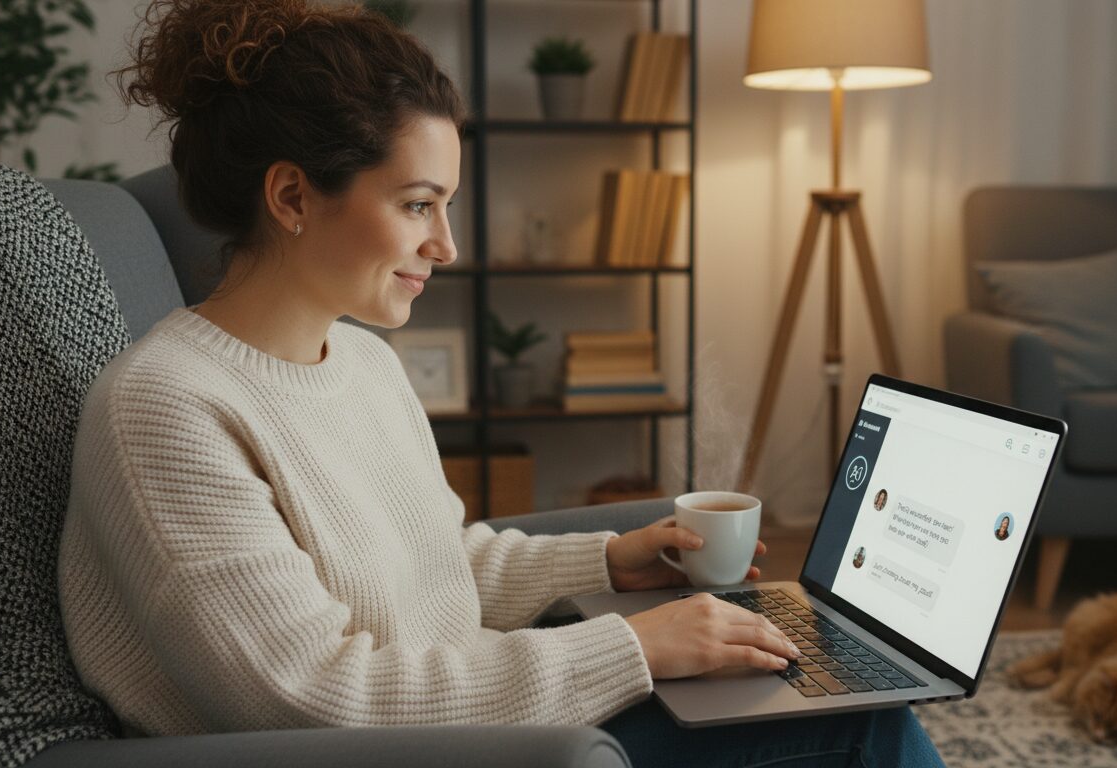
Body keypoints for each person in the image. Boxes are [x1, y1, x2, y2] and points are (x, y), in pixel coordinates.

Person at [56, 1, 945, 765]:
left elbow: (437, 566)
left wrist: (608, 558)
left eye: (445, 205)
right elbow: (310, 698)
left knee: (825, 698)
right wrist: (633, 648)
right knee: (867, 735)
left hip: (470, 718)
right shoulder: (165, 409)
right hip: (410, 753)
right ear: (291, 197)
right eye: (416, 205)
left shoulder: (359, 360)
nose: (446, 246)